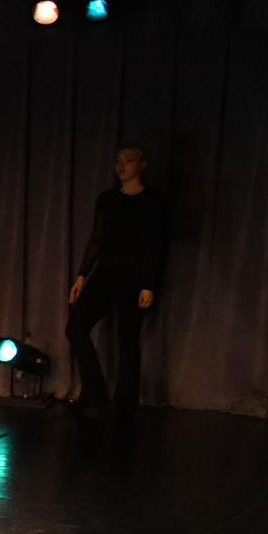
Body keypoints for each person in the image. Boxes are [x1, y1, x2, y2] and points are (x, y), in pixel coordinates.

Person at [67, 144, 169, 419]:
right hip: (106, 274)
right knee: (76, 327)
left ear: (142, 164)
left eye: (128, 160)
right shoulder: (107, 199)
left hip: (134, 278)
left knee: (127, 339)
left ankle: (125, 405)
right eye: (118, 161)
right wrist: (81, 275)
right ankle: (95, 391)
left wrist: (149, 284)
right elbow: (96, 239)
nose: (121, 166)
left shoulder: (153, 202)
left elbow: (155, 246)